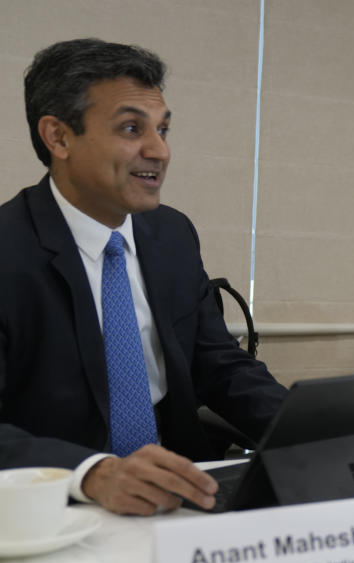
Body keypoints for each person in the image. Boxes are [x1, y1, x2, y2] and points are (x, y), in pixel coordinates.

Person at [0, 39, 287, 515]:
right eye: (132, 128)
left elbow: (217, 364)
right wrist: (91, 471)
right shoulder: (9, 248)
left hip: (182, 491)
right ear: (59, 137)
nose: (159, 150)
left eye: (164, 129)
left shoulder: (171, 234)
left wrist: (309, 429)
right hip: (56, 504)